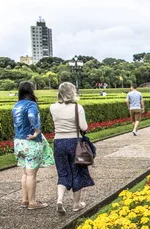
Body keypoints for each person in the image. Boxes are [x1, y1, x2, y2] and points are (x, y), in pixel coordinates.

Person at [50, 82, 94, 214]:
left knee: (63, 172)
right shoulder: (77, 108)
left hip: (58, 142)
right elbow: (84, 127)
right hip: (74, 143)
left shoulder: (53, 107)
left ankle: (60, 200)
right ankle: (76, 204)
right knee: (77, 172)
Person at [12, 81, 55, 210]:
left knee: (25, 173)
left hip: (19, 142)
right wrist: (36, 131)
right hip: (31, 142)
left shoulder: (16, 105)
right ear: (31, 91)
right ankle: (32, 202)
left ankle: (24, 200)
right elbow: (31, 116)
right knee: (31, 174)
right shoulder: (31, 105)